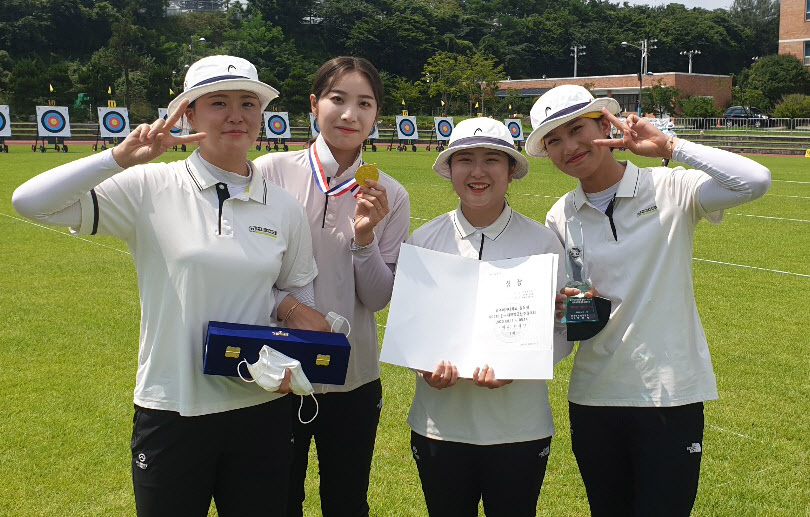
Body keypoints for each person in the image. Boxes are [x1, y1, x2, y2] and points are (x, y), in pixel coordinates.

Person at [12, 55, 325, 516]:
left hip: (260, 408)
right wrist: (118, 158)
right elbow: (29, 202)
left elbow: (299, 292)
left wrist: (292, 359)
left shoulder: (282, 206)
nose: (235, 115)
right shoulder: (148, 186)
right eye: (217, 102)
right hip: (172, 407)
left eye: (247, 103)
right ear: (189, 115)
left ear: (262, 114)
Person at [525, 85, 771, 517]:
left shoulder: (670, 187)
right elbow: (572, 318)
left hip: (669, 396)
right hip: (594, 399)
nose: (568, 147)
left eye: (576, 129)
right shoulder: (560, 214)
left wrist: (671, 146)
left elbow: (754, 180)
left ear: (605, 123)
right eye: (554, 140)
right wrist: (570, 304)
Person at [253, 56, 410, 517]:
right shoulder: (270, 173)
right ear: (314, 104)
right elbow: (243, 271)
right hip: (276, 373)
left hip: (354, 376)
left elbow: (378, 299)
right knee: (279, 501)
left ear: (377, 115)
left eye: (365, 103)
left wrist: (365, 239)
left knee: (346, 502)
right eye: (338, 99)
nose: (350, 114)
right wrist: (285, 306)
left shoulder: (390, 193)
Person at [404, 117, 571, 516]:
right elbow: (412, 330)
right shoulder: (424, 240)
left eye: (492, 160)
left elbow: (563, 330)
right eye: (465, 159)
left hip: (520, 427)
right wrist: (422, 367)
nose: (478, 172)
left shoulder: (543, 241)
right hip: (439, 427)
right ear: (449, 169)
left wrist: (522, 365)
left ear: (511, 170)